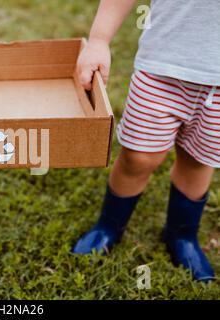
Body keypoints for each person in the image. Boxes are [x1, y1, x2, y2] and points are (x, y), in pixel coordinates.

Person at [73, 0, 219, 282]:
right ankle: (109, 226)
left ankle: (182, 236)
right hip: (161, 71)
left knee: (199, 161)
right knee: (138, 157)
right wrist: (99, 40)